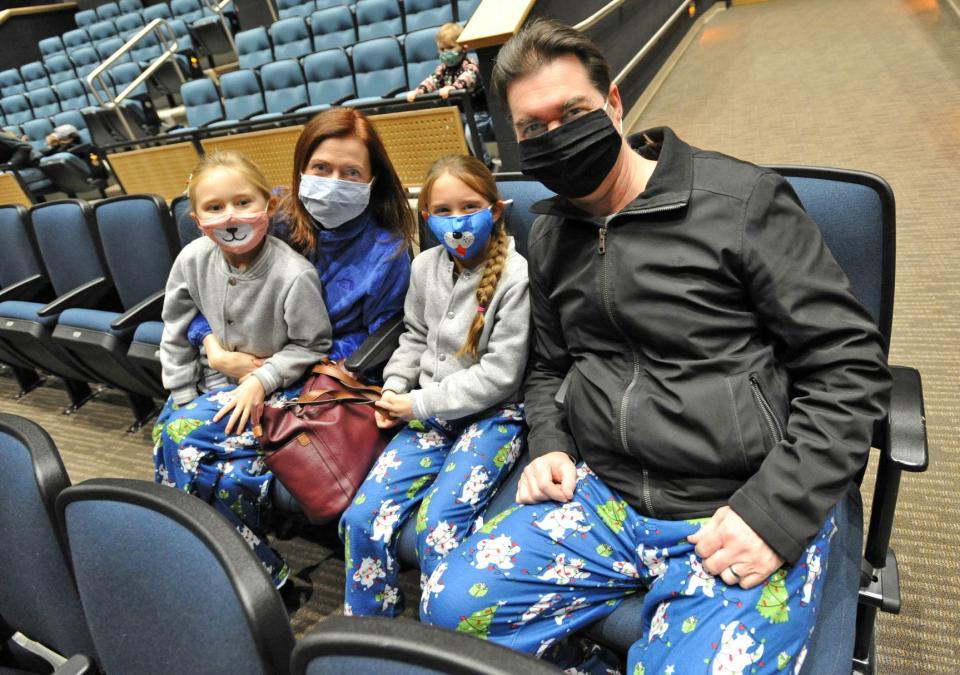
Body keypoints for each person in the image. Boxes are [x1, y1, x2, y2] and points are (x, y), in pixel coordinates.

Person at [419, 20, 891, 674]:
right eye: (533, 128)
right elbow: (547, 365)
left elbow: (848, 370)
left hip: (736, 500)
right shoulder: (554, 233)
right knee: (449, 610)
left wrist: (776, 511)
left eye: (573, 112)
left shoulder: (740, 203)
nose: (555, 135)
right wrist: (551, 442)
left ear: (613, 103)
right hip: (606, 494)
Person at [339, 155, 531, 618]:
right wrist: (394, 386)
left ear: (496, 209)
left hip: (494, 417)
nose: (456, 219)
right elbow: (413, 335)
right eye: (442, 210)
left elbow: (499, 375)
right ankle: (371, 626)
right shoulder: (425, 266)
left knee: (437, 526)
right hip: (425, 411)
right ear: (426, 217)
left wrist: (416, 403)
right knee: (361, 519)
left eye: (469, 206)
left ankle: (445, 633)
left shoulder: (515, 275)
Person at [155, 151, 332, 586]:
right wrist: (182, 395)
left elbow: (313, 345)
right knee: (217, 470)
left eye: (243, 203)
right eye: (215, 208)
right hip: (212, 385)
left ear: (268, 208)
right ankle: (259, 572)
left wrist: (261, 378)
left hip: (273, 390)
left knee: (176, 436)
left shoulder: (294, 274)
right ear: (198, 219)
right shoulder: (192, 259)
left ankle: (203, 558)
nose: (230, 216)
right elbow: (175, 330)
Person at [186, 108, 415, 381]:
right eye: (321, 168)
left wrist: (284, 368)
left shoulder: (386, 251)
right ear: (301, 168)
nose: (332, 184)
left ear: (371, 181)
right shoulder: (267, 216)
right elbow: (204, 295)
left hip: (322, 375)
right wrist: (214, 349)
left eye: (351, 172)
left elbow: (380, 339)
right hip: (238, 362)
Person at [406, 22, 493, 167]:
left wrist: (453, 87)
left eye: (450, 48)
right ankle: (467, 164)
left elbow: (469, 77)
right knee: (448, 135)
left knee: (469, 135)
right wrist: (418, 90)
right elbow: (432, 80)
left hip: (477, 113)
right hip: (457, 114)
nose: (445, 52)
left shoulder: (469, 64)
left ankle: (486, 165)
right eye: (442, 49)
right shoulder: (443, 69)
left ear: (464, 48)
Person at [40, 124, 107, 180]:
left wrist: (57, 143)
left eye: (57, 133)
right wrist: (52, 145)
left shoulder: (78, 146)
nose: (54, 135)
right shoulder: (56, 146)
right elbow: (42, 153)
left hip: (84, 173)